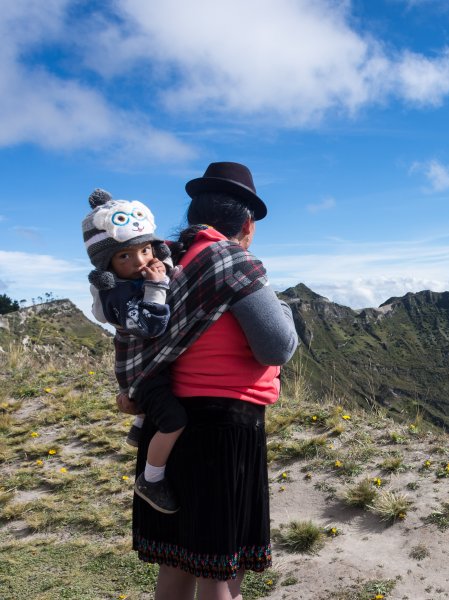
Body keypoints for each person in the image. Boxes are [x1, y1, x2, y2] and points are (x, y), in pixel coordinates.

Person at [114, 162, 298, 599]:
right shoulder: (232, 262)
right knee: (220, 569)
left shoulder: (163, 261)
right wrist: (287, 311)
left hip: (168, 424)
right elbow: (277, 346)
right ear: (247, 226)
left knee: (177, 563)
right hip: (223, 430)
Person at [82, 189, 184, 514]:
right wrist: (157, 286)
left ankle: (140, 424)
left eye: (144, 250)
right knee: (175, 421)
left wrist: (161, 255)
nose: (139, 262)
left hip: (146, 367)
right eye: (124, 257)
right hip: (140, 372)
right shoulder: (116, 296)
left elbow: (161, 254)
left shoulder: (137, 274)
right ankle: (151, 479)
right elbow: (150, 326)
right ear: (107, 264)